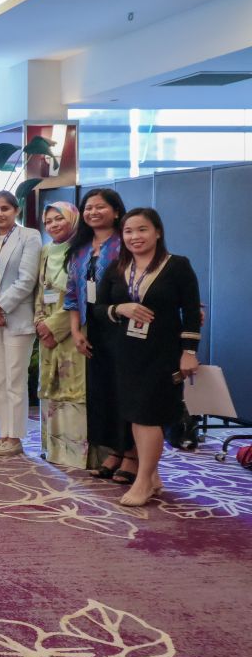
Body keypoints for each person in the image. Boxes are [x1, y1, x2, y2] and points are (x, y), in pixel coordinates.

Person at [94, 208, 201, 506]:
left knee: (147, 416)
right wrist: (121, 309)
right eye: (128, 231)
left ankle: (142, 481)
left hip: (162, 353)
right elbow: (99, 309)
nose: (134, 237)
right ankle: (152, 477)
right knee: (133, 415)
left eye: (141, 230)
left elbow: (192, 312)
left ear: (157, 232)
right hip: (125, 352)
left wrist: (189, 352)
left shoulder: (177, 266)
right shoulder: (117, 268)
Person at [64, 188, 130, 479]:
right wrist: (76, 330)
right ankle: (115, 452)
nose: (93, 212)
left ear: (116, 211)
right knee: (102, 391)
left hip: (126, 328)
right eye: (88, 208)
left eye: (100, 207)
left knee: (125, 392)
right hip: (94, 326)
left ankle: (132, 455)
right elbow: (71, 292)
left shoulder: (126, 243)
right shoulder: (80, 248)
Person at [0, 191, 41, 456]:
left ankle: (16, 437)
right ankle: (3, 434)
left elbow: (27, 279)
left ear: (17, 210)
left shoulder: (30, 236)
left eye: (5, 209)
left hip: (17, 317)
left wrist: (0, 307)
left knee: (15, 378)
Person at [34, 201, 87, 468]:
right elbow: (40, 291)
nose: (53, 225)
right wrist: (40, 323)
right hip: (47, 330)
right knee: (51, 386)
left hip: (75, 328)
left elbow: (83, 296)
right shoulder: (45, 251)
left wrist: (54, 326)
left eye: (59, 219)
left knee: (73, 388)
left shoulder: (83, 251)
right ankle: (53, 449)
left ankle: (76, 454)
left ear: (73, 220)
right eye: (49, 221)